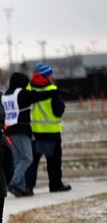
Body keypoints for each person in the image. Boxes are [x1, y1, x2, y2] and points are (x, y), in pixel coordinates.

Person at [3, 72, 61, 197]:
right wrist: (55, 92)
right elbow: (39, 96)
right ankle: (13, 183)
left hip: (10, 130)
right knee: (28, 158)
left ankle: (20, 188)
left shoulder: (6, 95)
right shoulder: (21, 94)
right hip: (21, 130)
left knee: (19, 159)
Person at [26, 62, 72, 193]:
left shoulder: (29, 88)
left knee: (32, 162)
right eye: (51, 74)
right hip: (52, 132)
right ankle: (55, 185)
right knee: (54, 161)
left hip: (34, 132)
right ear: (47, 76)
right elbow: (58, 110)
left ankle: (28, 187)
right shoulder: (52, 89)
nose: (52, 76)